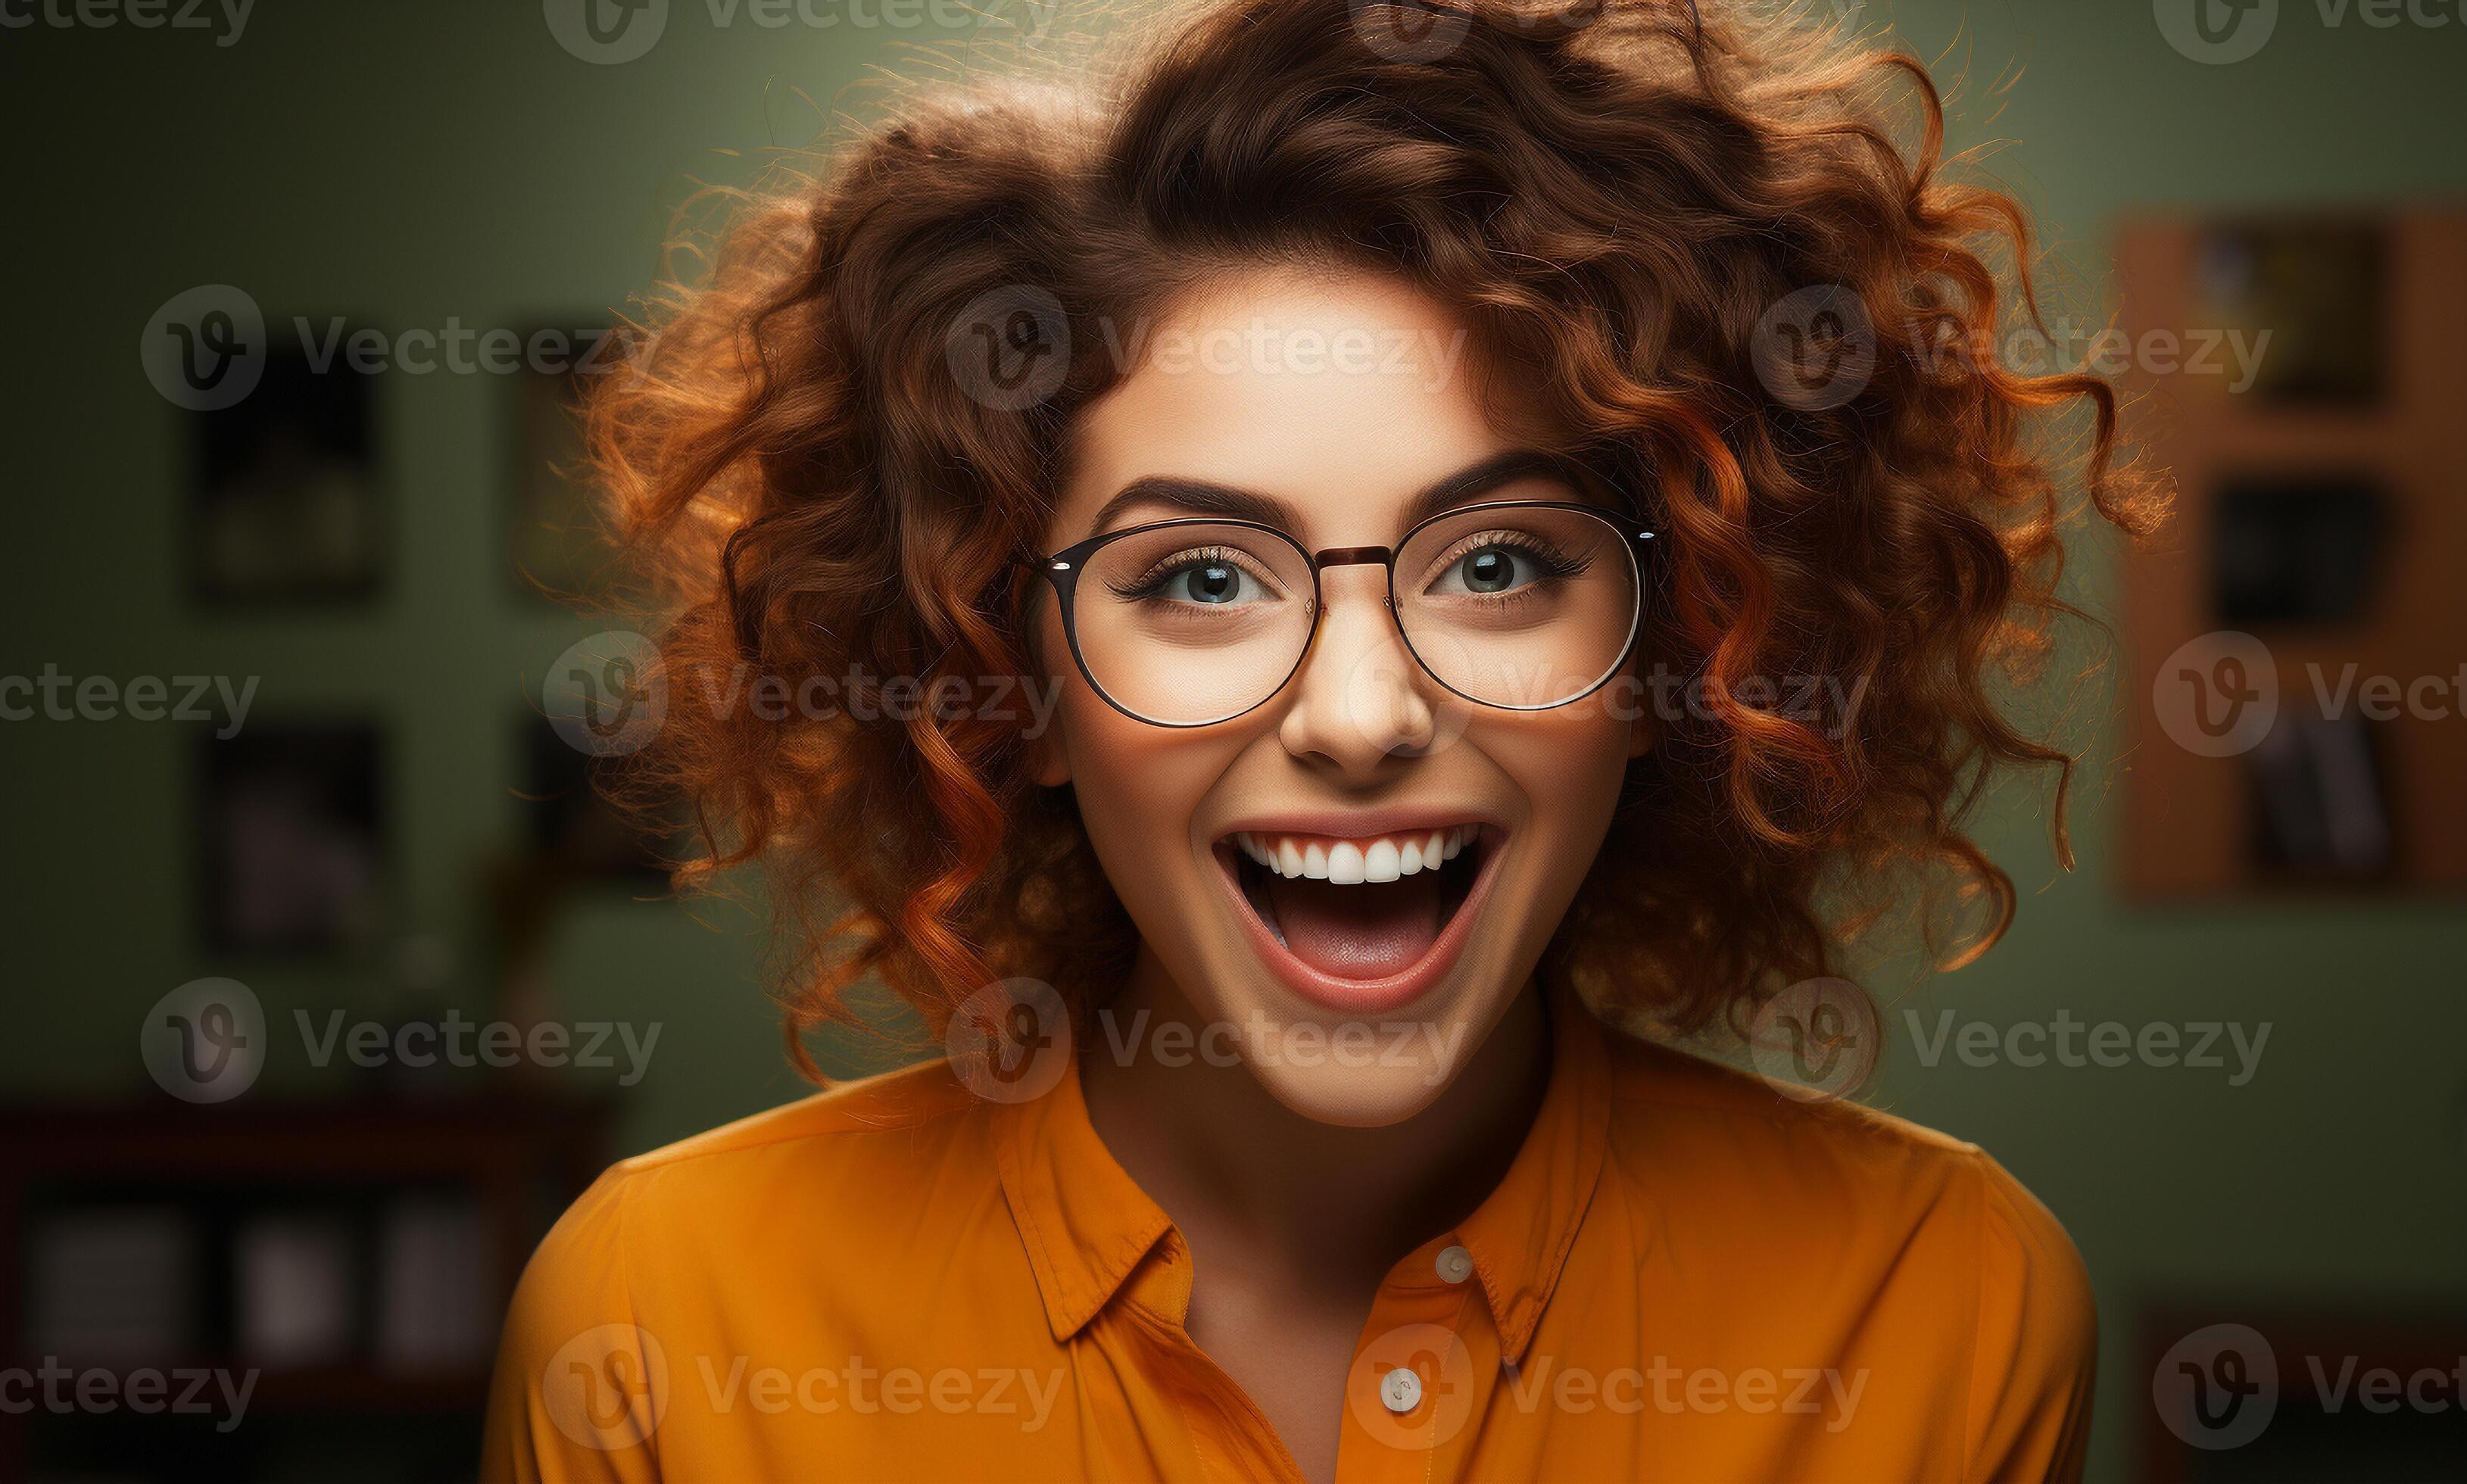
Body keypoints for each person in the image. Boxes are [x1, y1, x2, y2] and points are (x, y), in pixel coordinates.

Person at [483, 0, 2161, 1477]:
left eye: (1498, 565)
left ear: (1680, 650)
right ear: (1016, 682)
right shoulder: (661, 1326)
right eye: (1200, 578)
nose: (1361, 717)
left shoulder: (1938, 1306)